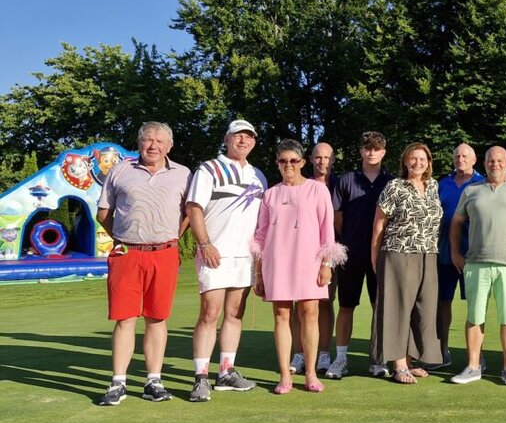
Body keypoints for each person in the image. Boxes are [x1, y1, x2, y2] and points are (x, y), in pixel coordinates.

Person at [96, 121, 191, 406]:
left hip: (164, 253)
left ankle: (153, 381)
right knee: (125, 318)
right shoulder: (120, 171)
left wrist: (169, 236)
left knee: (157, 318)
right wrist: (125, 238)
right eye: (148, 140)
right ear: (139, 143)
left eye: (160, 141)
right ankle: (118, 383)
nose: (153, 145)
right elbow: (103, 213)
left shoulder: (184, 174)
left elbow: (189, 214)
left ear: (169, 146)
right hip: (127, 254)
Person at [252, 139, 346, 395]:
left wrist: (327, 264)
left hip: (309, 261)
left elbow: (327, 230)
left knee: (310, 313)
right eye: (283, 161)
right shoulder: (270, 194)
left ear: (303, 162)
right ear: (277, 164)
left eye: (294, 161)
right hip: (276, 262)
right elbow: (260, 236)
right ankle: (285, 375)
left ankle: (311, 373)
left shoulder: (317, 190)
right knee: (281, 315)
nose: (289, 166)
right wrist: (258, 272)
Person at [185, 119, 267, 402]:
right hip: (215, 253)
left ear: (254, 142)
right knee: (210, 313)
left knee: (235, 314)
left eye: (248, 137)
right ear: (226, 139)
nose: (243, 141)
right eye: (237, 136)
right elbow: (194, 208)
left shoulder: (258, 175)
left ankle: (226, 372)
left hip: (244, 257)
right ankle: (201, 377)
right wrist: (204, 243)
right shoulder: (208, 169)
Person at [448, 146, 506, 385]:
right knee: (474, 316)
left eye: (499, 160)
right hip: (476, 263)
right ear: (484, 164)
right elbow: (456, 223)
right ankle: (473, 367)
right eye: (490, 160)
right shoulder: (472, 190)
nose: (495, 164)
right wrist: (455, 252)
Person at [372, 143, 445, 384]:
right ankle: (398, 363)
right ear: (405, 161)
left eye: (422, 159)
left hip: (428, 253)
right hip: (398, 253)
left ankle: (411, 359)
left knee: (422, 308)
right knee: (398, 308)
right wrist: (375, 260)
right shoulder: (395, 186)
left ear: (428, 162)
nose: (417, 163)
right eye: (413, 159)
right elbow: (379, 225)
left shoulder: (433, 186)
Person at [328, 131, 395, 380]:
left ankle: (379, 359)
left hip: (382, 254)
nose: (371, 152)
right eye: (367, 148)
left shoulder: (392, 181)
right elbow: (337, 216)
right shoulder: (347, 180)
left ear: (383, 152)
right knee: (346, 306)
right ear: (361, 151)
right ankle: (341, 358)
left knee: (380, 307)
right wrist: (349, 237)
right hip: (352, 253)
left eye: (376, 148)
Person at [434, 143, 485, 366]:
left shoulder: (482, 183)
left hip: (473, 255)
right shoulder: (442, 184)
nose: (460, 159)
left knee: (476, 306)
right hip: (444, 254)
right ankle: (441, 351)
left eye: (465, 156)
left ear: (474, 160)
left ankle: (476, 355)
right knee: (442, 303)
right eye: (456, 156)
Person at [289, 141, 336, 375]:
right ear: (311, 159)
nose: (322, 162)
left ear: (333, 159)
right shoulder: (300, 184)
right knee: (299, 305)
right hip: (300, 255)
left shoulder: (339, 184)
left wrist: (329, 260)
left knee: (325, 304)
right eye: (318, 157)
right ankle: (299, 354)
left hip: (330, 254)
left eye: (327, 157)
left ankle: (324, 354)